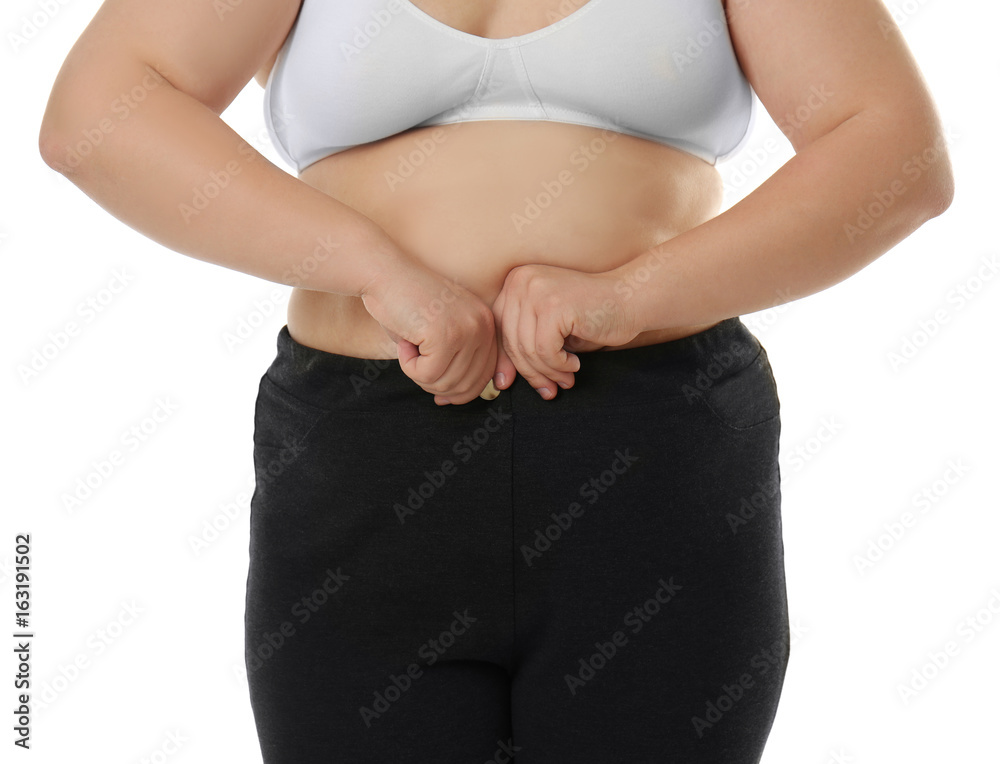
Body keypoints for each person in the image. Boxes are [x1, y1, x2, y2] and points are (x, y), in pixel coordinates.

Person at [38, 0, 954, 761]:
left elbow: (896, 154)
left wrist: (631, 296)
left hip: (652, 446)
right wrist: (375, 270)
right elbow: (98, 116)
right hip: (366, 460)